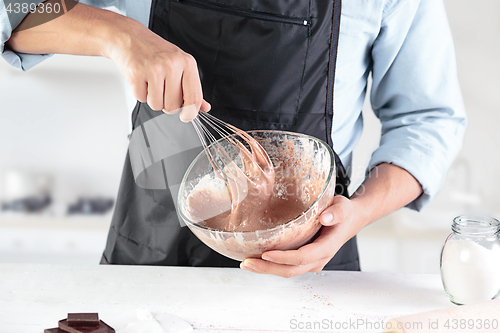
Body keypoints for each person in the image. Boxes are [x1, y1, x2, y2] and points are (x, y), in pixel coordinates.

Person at [1, 0, 466, 277]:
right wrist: (115, 32)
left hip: (310, 267)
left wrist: (358, 212)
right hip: (150, 259)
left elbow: (427, 121)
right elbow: (15, 11)